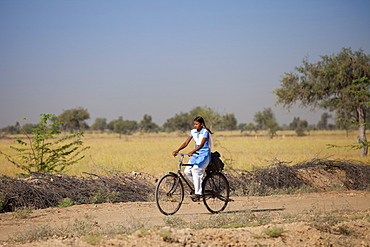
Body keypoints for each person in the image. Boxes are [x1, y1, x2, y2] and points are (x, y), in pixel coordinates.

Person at [172, 116, 213, 201]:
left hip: (204, 155)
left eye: (197, 124)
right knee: (187, 171)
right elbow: (186, 142)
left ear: (202, 124)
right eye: (194, 124)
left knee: (195, 170)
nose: (195, 126)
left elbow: (201, 145)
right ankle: (199, 187)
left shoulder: (205, 132)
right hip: (196, 154)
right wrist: (177, 150)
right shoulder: (193, 132)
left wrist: (192, 151)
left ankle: (198, 193)